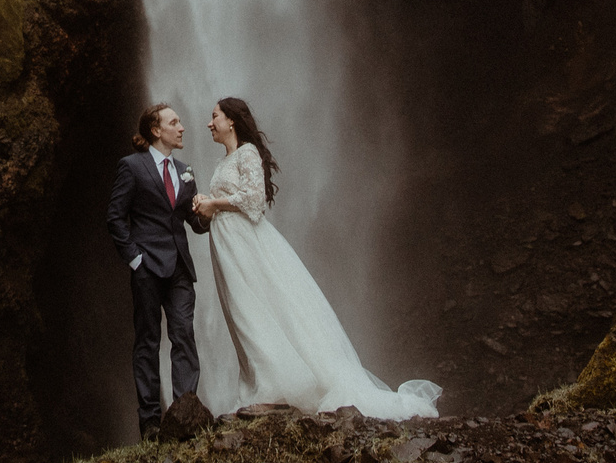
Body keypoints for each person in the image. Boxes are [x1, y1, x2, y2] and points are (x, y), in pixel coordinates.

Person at [190, 97, 440, 420]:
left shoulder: (247, 153)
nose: (209, 123)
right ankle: (259, 386)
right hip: (228, 248)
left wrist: (215, 203)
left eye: (214, 117)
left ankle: (274, 391)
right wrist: (206, 205)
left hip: (249, 247)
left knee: (256, 310)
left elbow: (254, 203)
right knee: (240, 314)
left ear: (232, 121)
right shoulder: (223, 161)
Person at [106, 102, 208, 440]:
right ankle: (150, 421)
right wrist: (135, 259)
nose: (181, 128)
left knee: (183, 335)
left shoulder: (185, 171)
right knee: (148, 341)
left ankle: (185, 413)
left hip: (179, 266)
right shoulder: (132, 167)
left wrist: (209, 211)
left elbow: (194, 222)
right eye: (174, 122)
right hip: (147, 266)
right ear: (155, 129)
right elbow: (116, 217)